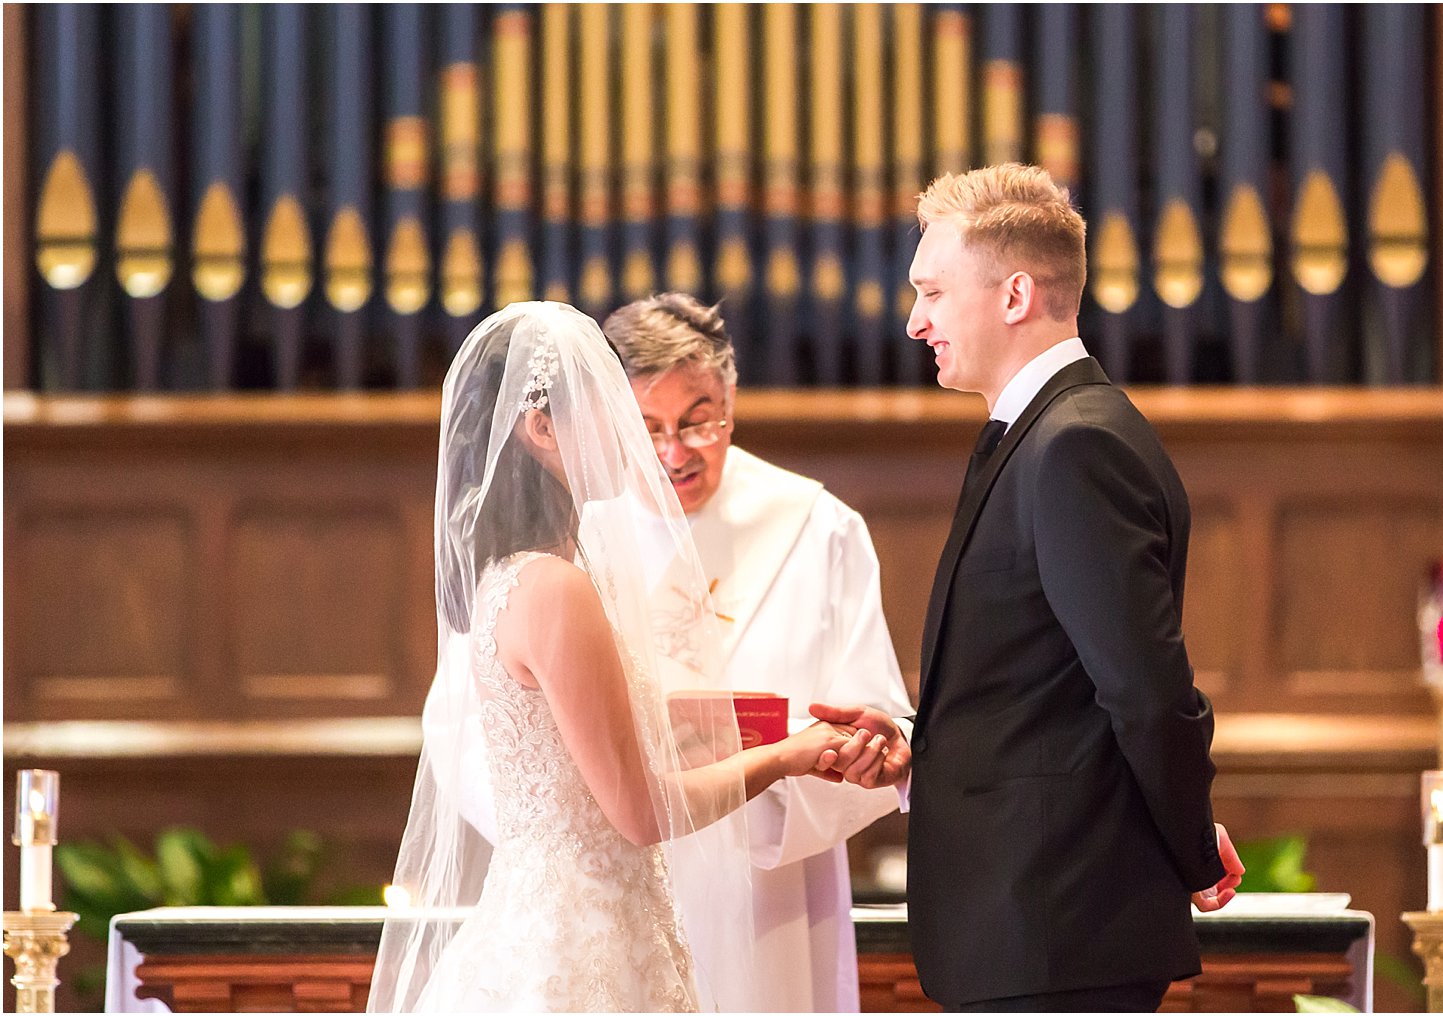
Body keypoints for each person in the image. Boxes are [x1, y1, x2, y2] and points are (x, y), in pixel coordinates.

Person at [814, 164, 1245, 1013]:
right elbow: (1050, 694)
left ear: (1015, 295)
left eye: (932, 292)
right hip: (1035, 931)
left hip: (1055, 941)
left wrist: (1190, 847)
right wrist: (916, 745)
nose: (914, 321)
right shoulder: (1047, 436)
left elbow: (1148, 693)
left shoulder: (1076, 447)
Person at [369, 302, 851, 1013]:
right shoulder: (554, 588)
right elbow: (639, 813)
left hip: (566, 915)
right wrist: (787, 755)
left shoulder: (520, 575)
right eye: (610, 403)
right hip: (578, 941)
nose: (633, 433)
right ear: (540, 429)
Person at [601, 293, 915, 1013]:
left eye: (698, 420)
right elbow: (472, 731)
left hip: (769, 890)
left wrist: (858, 753)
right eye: (646, 428)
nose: (674, 453)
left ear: (731, 401)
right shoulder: (574, 532)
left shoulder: (819, 527)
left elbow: (878, 718)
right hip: (617, 879)